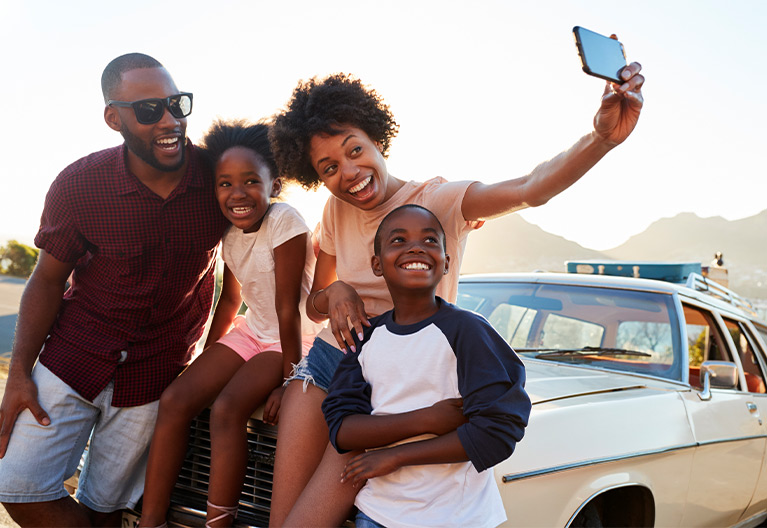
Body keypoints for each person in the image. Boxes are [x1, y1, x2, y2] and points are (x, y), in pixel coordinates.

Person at [268, 62, 644, 526]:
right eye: (329, 167)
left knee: (309, 518)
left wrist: (601, 139)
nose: (349, 172)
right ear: (317, 178)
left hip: (389, 387)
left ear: (376, 138)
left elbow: (531, 189)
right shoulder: (334, 209)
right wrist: (337, 290)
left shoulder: (437, 200)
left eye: (355, 150)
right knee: (280, 516)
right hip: (327, 362)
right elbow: (315, 301)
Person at [0, 53, 229, 527]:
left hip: (157, 370)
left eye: (177, 104)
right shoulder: (79, 184)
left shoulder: (218, 179)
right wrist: (19, 371)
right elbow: (46, 279)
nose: (170, 121)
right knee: (17, 487)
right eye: (149, 110)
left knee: (108, 508)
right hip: (72, 356)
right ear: (113, 118)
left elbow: (243, 272)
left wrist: (210, 360)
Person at [139, 120, 321, 528]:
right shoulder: (230, 232)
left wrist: (292, 380)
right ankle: (151, 520)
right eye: (225, 183)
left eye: (250, 181)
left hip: (292, 340)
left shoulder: (285, 221)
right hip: (252, 331)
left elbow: (288, 308)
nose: (237, 193)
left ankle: (217, 522)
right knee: (175, 399)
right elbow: (232, 298)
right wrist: (207, 360)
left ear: (274, 184)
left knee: (226, 410)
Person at [321, 204, 531, 528]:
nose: (416, 247)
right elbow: (342, 428)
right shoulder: (365, 339)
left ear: (446, 263)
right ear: (377, 264)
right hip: (377, 514)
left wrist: (396, 455)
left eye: (430, 240)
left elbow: (498, 432)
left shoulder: (468, 331)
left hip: (457, 518)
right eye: (399, 240)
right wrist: (426, 419)